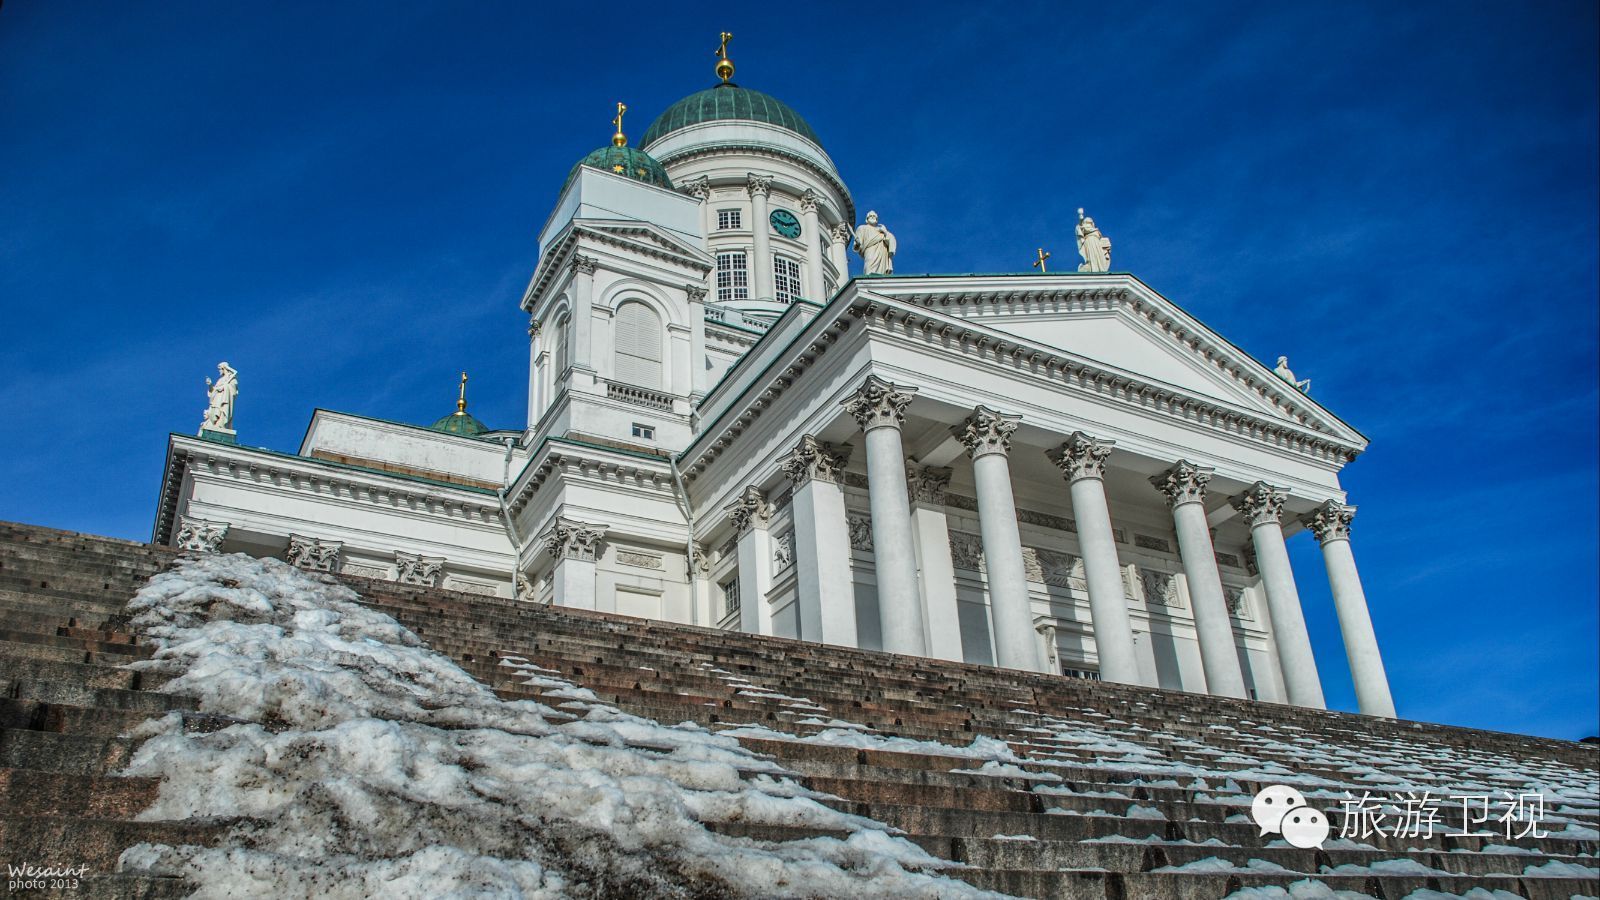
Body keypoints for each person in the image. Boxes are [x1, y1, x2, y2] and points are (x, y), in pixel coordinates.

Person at [853, 211, 896, 275]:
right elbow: (858, 244)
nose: (873, 217)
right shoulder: (862, 228)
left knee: (881, 272)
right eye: (871, 216)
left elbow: (892, 241)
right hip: (870, 251)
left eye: (874, 216)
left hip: (882, 252)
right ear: (867, 219)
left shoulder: (881, 230)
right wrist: (858, 244)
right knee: (869, 266)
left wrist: (885, 232)